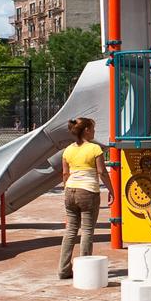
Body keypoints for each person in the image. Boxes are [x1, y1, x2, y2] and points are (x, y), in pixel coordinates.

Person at [56, 117, 112, 280]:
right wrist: (112, 191)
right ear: (86, 130)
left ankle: (63, 269)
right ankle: (84, 269)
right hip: (88, 192)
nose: (94, 132)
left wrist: (67, 189)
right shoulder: (95, 149)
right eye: (93, 129)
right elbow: (102, 172)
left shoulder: (68, 150)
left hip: (70, 191)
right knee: (87, 230)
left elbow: (65, 173)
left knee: (71, 230)